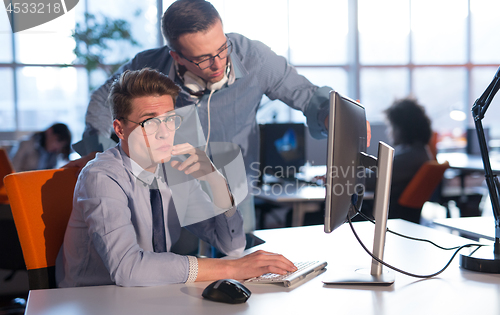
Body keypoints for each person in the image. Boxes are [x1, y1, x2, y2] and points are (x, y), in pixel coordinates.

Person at [67, 0, 337, 231]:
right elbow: (103, 100)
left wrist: (333, 117)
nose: (218, 64)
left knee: (239, 264)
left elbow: (306, 94)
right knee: (176, 275)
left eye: (222, 48)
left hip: (235, 188)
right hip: (172, 188)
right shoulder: (148, 66)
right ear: (177, 57)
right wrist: (96, 151)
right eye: (203, 59)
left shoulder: (255, 58)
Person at [56, 68, 296, 287]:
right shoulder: (102, 177)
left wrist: (215, 181)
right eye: (150, 122)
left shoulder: (173, 170)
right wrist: (232, 268)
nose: (164, 133)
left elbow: (232, 245)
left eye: (170, 120)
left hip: (150, 297)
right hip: (93, 303)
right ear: (120, 129)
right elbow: (128, 270)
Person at [365, 97, 433, 223]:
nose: (388, 132)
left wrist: (341, 176)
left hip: (384, 217)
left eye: (391, 127)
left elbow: (371, 180)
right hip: (392, 215)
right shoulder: (418, 152)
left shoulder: (411, 157)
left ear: (402, 128)